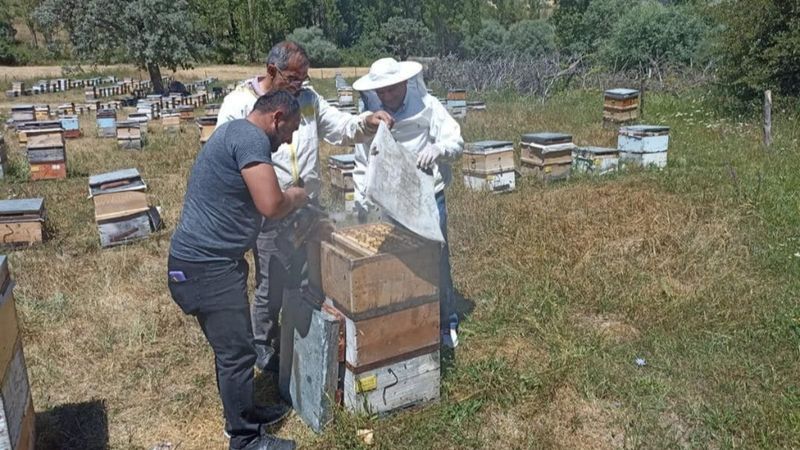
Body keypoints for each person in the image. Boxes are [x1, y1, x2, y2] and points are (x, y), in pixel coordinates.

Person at [216, 41, 393, 372]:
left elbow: (340, 127)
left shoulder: (309, 100)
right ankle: (262, 343)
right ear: (272, 71)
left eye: (304, 78)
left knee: (310, 272)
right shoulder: (240, 103)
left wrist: (367, 122)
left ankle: (301, 334)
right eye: (294, 79)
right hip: (269, 208)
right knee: (271, 280)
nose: (300, 85)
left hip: (307, 204)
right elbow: (224, 153)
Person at [168, 90, 304, 450]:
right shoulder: (249, 137)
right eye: (290, 129)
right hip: (206, 268)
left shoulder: (234, 133)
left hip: (203, 264)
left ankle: (245, 412)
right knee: (237, 354)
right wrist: (297, 195)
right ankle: (244, 440)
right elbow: (272, 204)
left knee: (233, 349)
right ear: (276, 118)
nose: (289, 139)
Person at [351, 57, 464, 348]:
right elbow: (363, 161)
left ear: (404, 83)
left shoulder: (428, 106)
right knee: (396, 265)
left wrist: (439, 148)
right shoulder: (370, 114)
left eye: (391, 90)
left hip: (427, 197)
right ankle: (406, 324)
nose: (386, 96)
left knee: (435, 259)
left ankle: (445, 323)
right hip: (391, 203)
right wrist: (361, 199)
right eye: (381, 92)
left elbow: (456, 142)